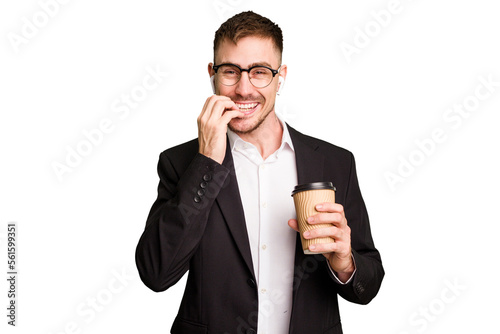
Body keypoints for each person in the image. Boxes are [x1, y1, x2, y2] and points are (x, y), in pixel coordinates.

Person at [135, 11, 384, 334]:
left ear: (280, 76)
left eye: (259, 72)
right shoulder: (181, 163)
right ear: (212, 74)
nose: (243, 88)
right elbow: (156, 273)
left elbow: (369, 284)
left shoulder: (336, 163)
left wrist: (345, 263)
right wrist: (206, 162)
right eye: (230, 71)